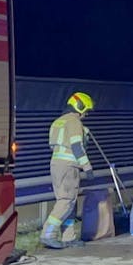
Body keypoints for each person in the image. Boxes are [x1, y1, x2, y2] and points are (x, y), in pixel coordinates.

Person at [40, 91, 94, 249]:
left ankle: (68, 237)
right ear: (80, 106)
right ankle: (48, 234)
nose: (86, 115)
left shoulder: (58, 122)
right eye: (86, 111)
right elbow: (77, 147)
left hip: (56, 165)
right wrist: (87, 167)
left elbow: (54, 144)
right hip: (69, 165)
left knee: (68, 202)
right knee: (66, 201)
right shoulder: (74, 122)